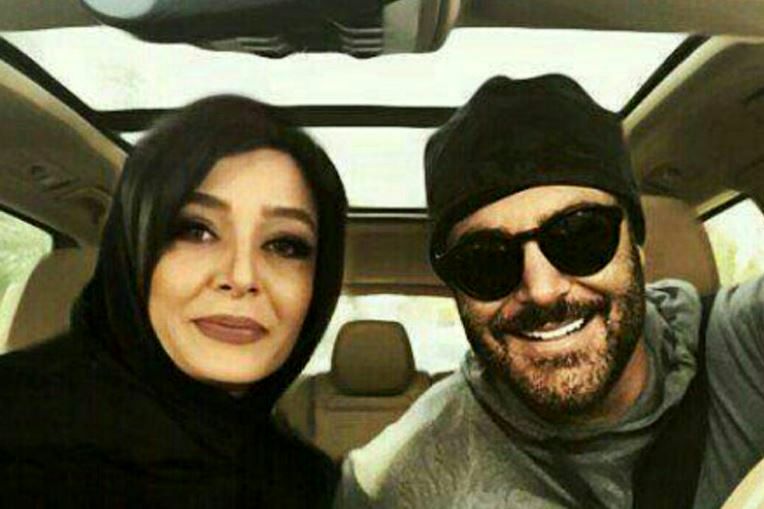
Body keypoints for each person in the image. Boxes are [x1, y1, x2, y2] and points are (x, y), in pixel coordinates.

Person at [335, 75, 764, 508]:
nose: (541, 290)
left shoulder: (747, 346)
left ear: (636, 246)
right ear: (458, 293)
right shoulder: (395, 482)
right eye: (487, 262)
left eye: (580, 236)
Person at [0, 95, 347, 507]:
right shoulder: (14, 427)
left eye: (285, 245)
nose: (242, 277)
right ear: (134, 252)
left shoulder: (308, 483)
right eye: (195, 231)